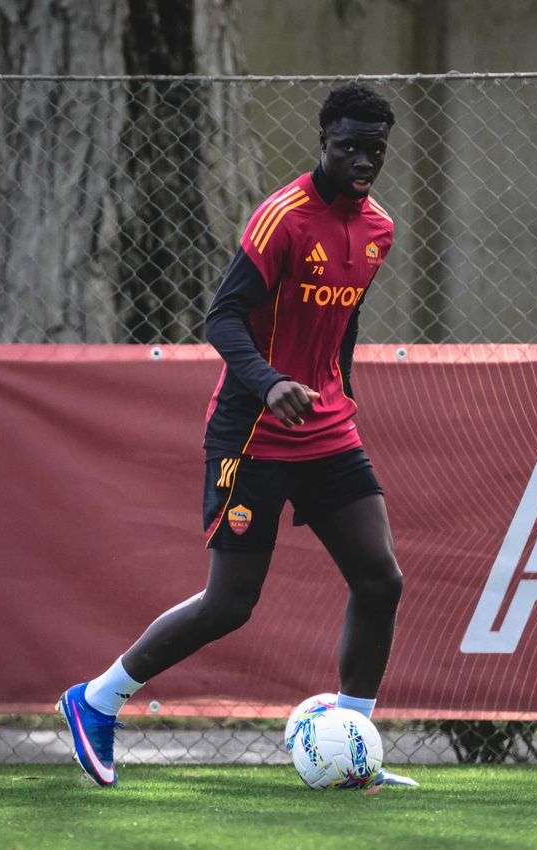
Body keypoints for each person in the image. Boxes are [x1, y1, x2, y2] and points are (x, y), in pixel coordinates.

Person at [57, 82, 415, 789]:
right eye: (348, 147)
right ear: (323, 142)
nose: (361, 161)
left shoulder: (380, 227)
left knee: (380, 580)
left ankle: (356, 749)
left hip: (325, 431)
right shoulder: (281, 217)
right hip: (250, 432)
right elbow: (222, 319)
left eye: (374, 150)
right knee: (231, 603)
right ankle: (96, 701)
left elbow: (341, 327)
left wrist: (338, 391)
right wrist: (271, 381)